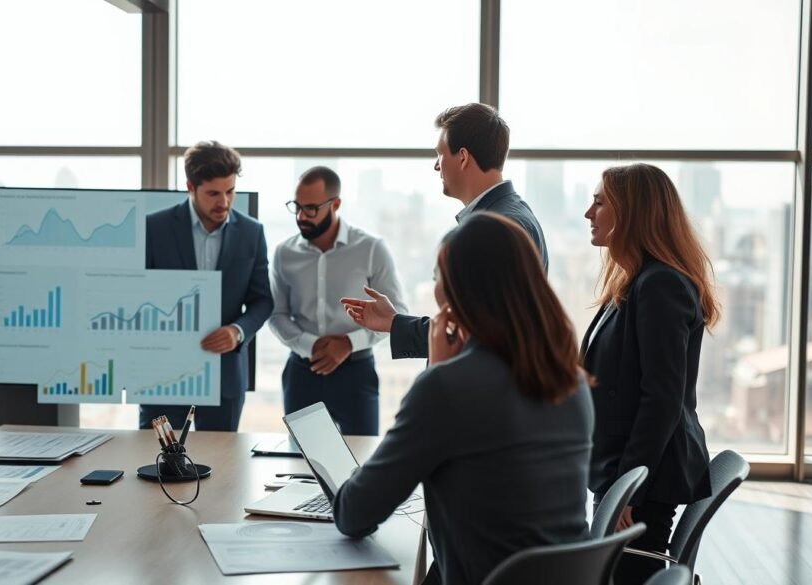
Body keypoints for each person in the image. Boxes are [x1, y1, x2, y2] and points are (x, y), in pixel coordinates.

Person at [333, 212, 593, 585]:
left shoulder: (447, 389)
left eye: (439, 276)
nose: (435, 287)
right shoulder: (571, 380)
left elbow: (354, 513)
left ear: (459, 290)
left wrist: (437, 372)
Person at [581, 163, 717, 585]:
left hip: (643, 479)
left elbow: (661, 397)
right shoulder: (635, 281)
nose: (589, 212)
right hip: (626, 470)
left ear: (632, 212)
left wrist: (629, 486)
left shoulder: (660, 285)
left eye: (600, 202)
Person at [341, 103, 547, 360]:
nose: (436, 166)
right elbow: (473, 325)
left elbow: (478, 334)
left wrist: (396, 324)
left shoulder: (499, 227)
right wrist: (394, 322)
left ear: (462, 157)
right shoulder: (503, 217)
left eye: (440, 154)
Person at [139, 141, 274, 432]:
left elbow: (263, 301)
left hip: (224, 376)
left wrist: (237, 332)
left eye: (230, 191)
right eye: (213, 193)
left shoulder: (252, 233)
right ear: (190, 187)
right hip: (162, 375)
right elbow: (139, 295)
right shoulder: (155, 228)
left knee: (220, 470)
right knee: (154, 464)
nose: (224, 202)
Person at [269, 166, 406, 436]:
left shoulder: (371, 249)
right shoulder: (284, 253)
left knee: (361, 458)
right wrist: (312, 345)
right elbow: (277, 315)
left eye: (310, 209)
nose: (301, 216)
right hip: (302, 373)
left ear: (336, 204)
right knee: (301, 462)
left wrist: (347, 344)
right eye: (296, 207)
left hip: (356, 373)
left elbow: (397, 313)